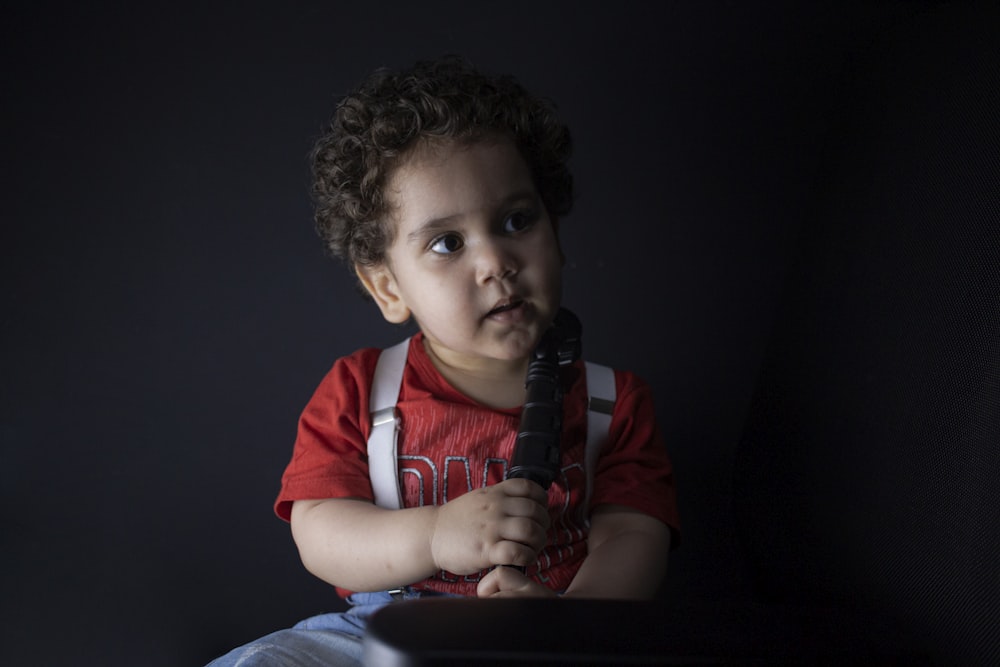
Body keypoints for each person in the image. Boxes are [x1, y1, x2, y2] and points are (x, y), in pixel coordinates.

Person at [207, 54, 680, 667]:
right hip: (384, 629)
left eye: (516, 220)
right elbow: (320, 529)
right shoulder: (361, 389)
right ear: (388, 289)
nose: (495, 263)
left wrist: (568, 621)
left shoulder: (611, 403)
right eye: (447, 243)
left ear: (555, 234)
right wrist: (434, 533)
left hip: (550, 632)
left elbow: (634, 537)